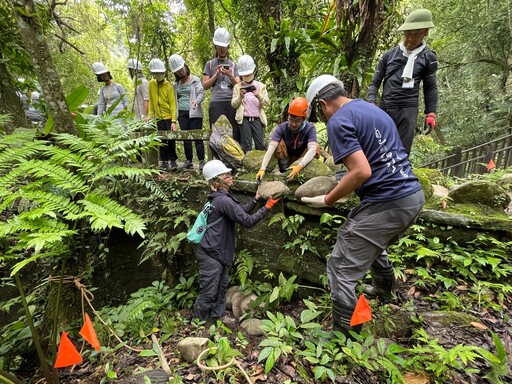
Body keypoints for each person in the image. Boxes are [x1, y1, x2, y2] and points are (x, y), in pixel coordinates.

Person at [302, 75, 425, 338]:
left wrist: (327, 199)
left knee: (341, 266)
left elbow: (360, 171)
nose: (323, 119)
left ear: (322, 104)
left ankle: (345, 336)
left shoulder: (338, 121)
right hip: (411, 196)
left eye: (320, 113)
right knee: (369, 242)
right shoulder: (371, 109)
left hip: (388, 201)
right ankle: (384, 291)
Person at [193, 160, 281, 321]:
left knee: (220, 289)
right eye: (227, 175)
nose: (231, 177)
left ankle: (214, 320)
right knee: (209, 292)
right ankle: (197, 324)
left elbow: (239, 212)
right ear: (216, 181)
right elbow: (247, 221)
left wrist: (256, 200)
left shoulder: (221, 198)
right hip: (212, 255)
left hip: (217, 253)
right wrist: (267, 207)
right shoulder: (223, 200)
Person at [366, 8, 438, 155]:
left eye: (416, 34)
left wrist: (431, 113)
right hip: (386, 107)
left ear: (425, 32)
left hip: (408, 110)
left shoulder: (428, 58)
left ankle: (398, 177)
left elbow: (430, 87)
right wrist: (371, 101)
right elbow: (375, 82)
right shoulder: (389, 55)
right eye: (407, 34)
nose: (410, 39)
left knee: (401, 151)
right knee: (378, 148)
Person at [256, 97, 321, 181]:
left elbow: (312, 149)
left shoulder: (310, 128)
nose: (293, 124)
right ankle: (284, 172)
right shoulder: (282, 128)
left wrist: (299, 166)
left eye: (297, 121)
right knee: (278, 144)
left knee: (316, 147)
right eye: (291, 120)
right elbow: (271, 148)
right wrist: (262, 168)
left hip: (302, 159)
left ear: (304, 119)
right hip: (288, 158)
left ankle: (304, 174)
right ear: (288, 117)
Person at [202, 28, 241, 142]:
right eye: (219, 46)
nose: (222, 49)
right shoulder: (210, 64)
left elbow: (238, 84)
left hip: (231, 102)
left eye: (224, 46)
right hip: (216, 102)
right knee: (216, 133)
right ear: (215, 46)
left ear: (228, 46)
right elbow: (205, 85)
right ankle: (217, 158)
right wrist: (216, 75)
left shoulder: (233, 65)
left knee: (234, 133)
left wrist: (230, 75)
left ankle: (234, 158)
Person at [169, 54, 206, 170]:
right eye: (178, 72)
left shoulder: (195, 80)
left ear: (185, 66)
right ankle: (188, 160)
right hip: (182, 113)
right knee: (186, 137)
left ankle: (201, 160)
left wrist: (197, 101)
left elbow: (201, 93)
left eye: (182, 69)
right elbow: (174, 99)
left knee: (197, 137)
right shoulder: (176, 85)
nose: (181, 72)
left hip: (194, 112)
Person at [231, 54, 269, 153]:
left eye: (248, 74)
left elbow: (267, 102)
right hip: (244, 119)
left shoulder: (260, 86)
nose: (247, 76)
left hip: (257, 118)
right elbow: (233, 104)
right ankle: (247, 165)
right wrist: (240, 96)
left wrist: (258, 95)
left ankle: (261, 166)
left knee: (260, 145)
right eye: (245, 75)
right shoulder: (237, 87)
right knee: (246, 146)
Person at [147, 58, 179, 170]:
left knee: (171, 139)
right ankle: (164, 161)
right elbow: (151, 100)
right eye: (157, 73)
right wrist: (150, 115)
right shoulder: (151, 84)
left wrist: (174, 121)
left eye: (161, 73)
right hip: (159, 118)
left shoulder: (168, 86)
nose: (159, 75)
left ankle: (173, 160)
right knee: (161, 140)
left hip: (169, 117)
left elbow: (173, 104)